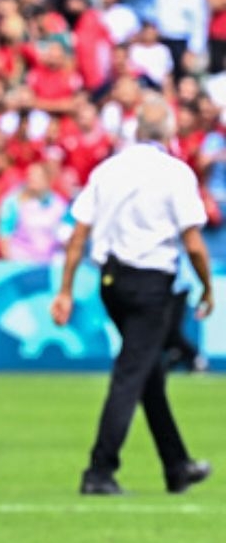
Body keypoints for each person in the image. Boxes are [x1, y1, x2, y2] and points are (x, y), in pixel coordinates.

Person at [51, 95, 214, 496]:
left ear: (136, 129)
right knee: (131, 374)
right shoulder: (176, 173)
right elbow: (192, 242)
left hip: (111, 281)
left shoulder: (108, 170)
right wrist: (208, 286)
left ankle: (177, 466)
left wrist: (66, 290)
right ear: (170, 132)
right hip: (152, 283)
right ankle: (99, 470)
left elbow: (79, 233)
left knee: (146, 372)